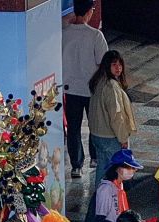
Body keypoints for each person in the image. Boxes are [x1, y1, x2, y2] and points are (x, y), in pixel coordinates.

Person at [60, 0, 105, 173]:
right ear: (89, 12)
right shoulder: (95, 35)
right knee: (95, 125)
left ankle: (76, 165)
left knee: (73, 128)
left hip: (70, 89)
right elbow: (104, 63)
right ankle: (95, 158)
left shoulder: (63, 34)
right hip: (91, 89)